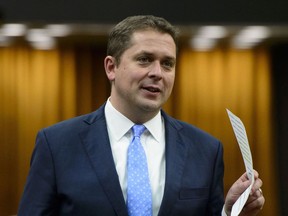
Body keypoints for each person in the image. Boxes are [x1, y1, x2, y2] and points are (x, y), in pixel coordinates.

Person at [18, 15, 264, 216]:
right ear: (111, 67)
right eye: (145, 60)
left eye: (168, 63)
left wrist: (230, 212)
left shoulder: (205, 149)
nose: (157, 72)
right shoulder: (57, 144)